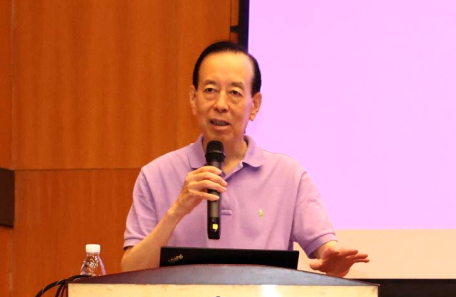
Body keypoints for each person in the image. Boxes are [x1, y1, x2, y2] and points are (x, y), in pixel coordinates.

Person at [121, 41, 368, 276]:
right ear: (193, 98)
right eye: (210, 90)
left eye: (234, 93)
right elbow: (131, 270)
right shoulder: (155, 175)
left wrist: (334, 261)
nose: (221, 104)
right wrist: (176, 211)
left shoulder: (288, 176)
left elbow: (327, 252)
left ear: (255, 105)